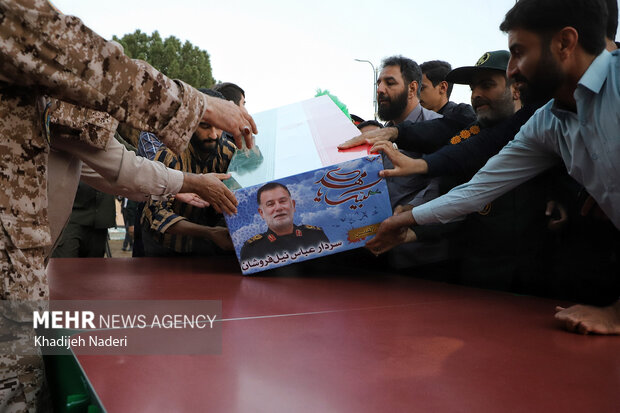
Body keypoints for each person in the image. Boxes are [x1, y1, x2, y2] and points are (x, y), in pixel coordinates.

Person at [0, 2, 257, 410]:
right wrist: (198, 106)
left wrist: (188, 185)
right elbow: (84, 62)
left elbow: (115, 167)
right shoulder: (40, 49)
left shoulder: (50, 116)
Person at [367, 0, 620, 335]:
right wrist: (406, 219)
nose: (513, 69)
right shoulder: (546, 121)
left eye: (518, 52)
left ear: (565, 43)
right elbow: (478, 188)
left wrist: (616, 314)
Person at [141, 89, 237, 257]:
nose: (213, 135)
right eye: (205, 126)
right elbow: (156, 214)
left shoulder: (230, 152)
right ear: (191, 122)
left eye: (220, 127)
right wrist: (210, 233)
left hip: (210, 247)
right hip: (166, 248)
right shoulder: (169, 154)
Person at [240, 182, 329, 263]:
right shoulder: (251, 249)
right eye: (270, 204)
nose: (278, 208)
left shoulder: (316, 236)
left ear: (293, 205)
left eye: (282, 201)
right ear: (262, 213)